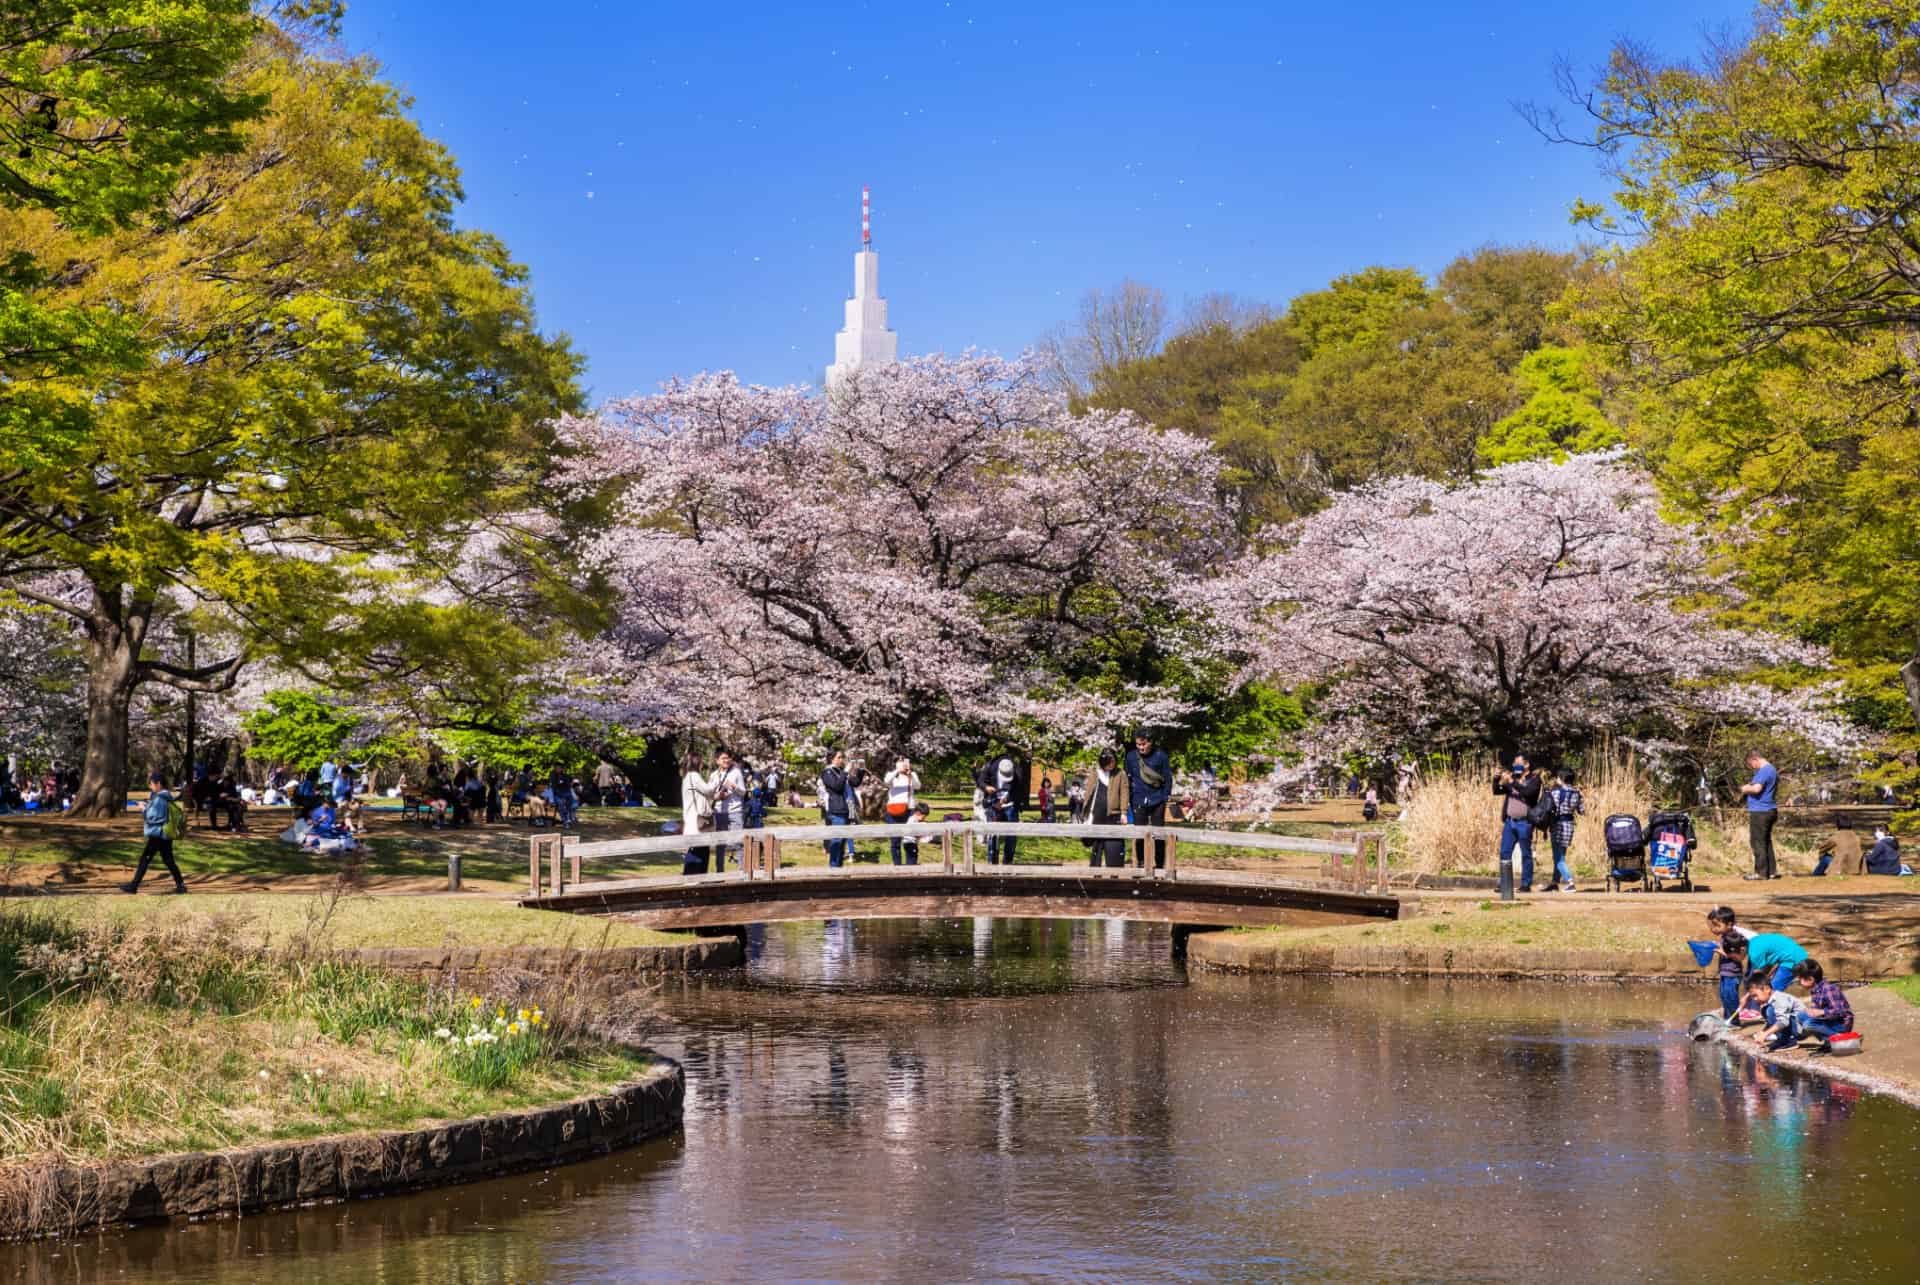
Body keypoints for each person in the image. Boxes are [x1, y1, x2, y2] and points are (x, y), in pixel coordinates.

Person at [122, 771, 187, 895]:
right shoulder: (164, 796)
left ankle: (133, 886)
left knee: (145, 859)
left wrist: (143, 809)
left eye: (151, 783)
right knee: (168, 860)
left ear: (158, 784)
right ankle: (181, 885)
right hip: (165, 834)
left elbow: (154, 817)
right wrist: (147, 806)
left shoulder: (160, 798)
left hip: (158, 834)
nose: (150, 786)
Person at [1492, 755, 1543, 893]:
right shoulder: (1513, 777)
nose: (1515, 765)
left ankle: (1526, 884)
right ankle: (1504, 883)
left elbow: (1528, 793)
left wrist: (1511, 782)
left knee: (1526, 854)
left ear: (1526, 764)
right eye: (1514, 763)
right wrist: (1496, 778)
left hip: (1525, 822)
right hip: (1510, 822)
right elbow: (1497, 791)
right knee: (1504, 852)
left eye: (1518, 763)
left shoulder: (1534, 779)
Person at [1124, 729, 1173, 869]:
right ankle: (1140, 863)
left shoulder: (1161, 756)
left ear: (1150, 742)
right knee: (1140, 833)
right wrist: (1129, 797)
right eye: (1138, 744)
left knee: (1159, 833)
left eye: (1143, 744)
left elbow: (1168, 778)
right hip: (1138, 799)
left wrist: (1165, 797)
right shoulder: (1131, 756)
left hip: (1157, 799)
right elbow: (1127, 777)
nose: (1141, 747)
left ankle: (1159, 863)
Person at [1078, 747, 1131, 868]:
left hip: (1114, 814)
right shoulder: (1095, 774)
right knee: (1096, 846)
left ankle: (1115, 871)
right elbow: (1089, 794)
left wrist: (1123, 812)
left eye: (1113, 761)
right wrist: (1085, 813)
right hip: (1097, 814)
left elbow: (1124, 793)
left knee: (1114, 845)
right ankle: (1095, 872)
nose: (1112, 764)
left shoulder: (1120, 774)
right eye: (1109, 762)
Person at [1789, 959, 1855, 1045]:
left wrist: (1821, 1012)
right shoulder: (1815, 990)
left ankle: (1840, 1038)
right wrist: (1811, 1011)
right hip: (1830, 1020)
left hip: (1841, 1024)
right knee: (1801, 1016)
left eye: (1800, 980)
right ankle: (1829, 1040)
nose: (1799, 983)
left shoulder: (1829, 989)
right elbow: (1818, 1009)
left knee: (1809, 1024)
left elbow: (1840, 1011)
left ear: (1810, 979)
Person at [1724, 928, 1808, 993]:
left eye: (1734, 957)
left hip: (1793, 960)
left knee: (1772, 990)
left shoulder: (1754, 954)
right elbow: (1768, 966)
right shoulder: (1753, 943)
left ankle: (1771, 1012)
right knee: (1767, 986)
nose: (1734, 960)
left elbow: (1757, 980)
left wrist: (1746, 997)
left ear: (1742, 950)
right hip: (1789, 957)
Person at [1739, 751, 1780, 880]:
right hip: (1770, 809)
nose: (1752, 767)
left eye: (1751, 764)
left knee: (1757, 841)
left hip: (1760, 811)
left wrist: (1744, 788)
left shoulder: (1764, 770)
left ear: (1755, 759)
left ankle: (1760, 873)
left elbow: (1757, 789)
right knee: (1766, 841)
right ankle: (1771, 871)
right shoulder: (1772, 769)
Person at [1746, 972, 1811, 1051]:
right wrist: (1763, 1032)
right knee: (1767, 1010)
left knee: (1770, 1011)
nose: (1754, 999)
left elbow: (1783, 1021)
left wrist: (1765, 1034)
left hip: (1800, 1029)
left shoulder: (1780, 999)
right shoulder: (1771, 1001)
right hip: (1794, 1025)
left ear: (1767, 989)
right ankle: (1784, 1040)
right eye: (1752, 997)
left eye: (1755, 995)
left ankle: (1787, 1041)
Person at [1544, 768, 1584, 893]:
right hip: (1569, 826)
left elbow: (1548, 808)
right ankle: (1554, 882)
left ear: (1561, 779)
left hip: (1558, 826)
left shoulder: (1556, 792)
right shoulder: (1577, 793)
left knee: (1558, 858)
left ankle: (1570, 882)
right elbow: (1581, 811)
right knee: (1560, 855)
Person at [709, 750, 746, 869]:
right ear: (717, 761)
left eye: (728, 758)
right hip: (720, 812)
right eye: (723, 758)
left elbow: (743, 792)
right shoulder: (714, 775)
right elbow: (710, 794)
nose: (726, 760)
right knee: (720, 843)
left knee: (739, 842)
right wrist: (718, 796)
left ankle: (742, 871)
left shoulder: (736, 772)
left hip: (735, 811)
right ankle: (720, 872)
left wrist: (734, 787)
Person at [984, 750, 1021, 865]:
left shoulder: (1018, 772)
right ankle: (992, 861)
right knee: (992, 833)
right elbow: (981, 781)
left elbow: (1019, 792)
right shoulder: (990, 768)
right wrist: (987, 787)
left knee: (1011, 834)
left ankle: (1008, 861)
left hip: (1010, 806)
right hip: (993, 804)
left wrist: (1007, 799)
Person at [680, 749, 714, 876]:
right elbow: (709, 790)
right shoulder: (694, 776)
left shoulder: (686, 777)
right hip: (697, 822)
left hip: (691, 821)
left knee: (693, 850)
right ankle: (695, 879)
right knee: (700, 852)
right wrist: (716, 779)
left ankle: (691, 877)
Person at [819, 749, 855, 868]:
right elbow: (837, 787)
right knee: (837, 841)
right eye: (839, 757)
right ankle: (833, 869)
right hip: (836, 810)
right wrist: (845, 772)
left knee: (842, 843)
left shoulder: (840, 771)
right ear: (832, 759)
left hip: (845, 810)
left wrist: (860, 771)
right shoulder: (827, 772)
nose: (842, 760)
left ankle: (838, 869)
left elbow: (855, 783)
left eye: (842, 757)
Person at [883, 756, 920, 865]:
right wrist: (897, 771)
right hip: (893, 810)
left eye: (904, 762)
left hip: (909, 809)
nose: (903, 764)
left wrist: (910, 775)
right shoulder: (892, 775)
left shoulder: (912, 775)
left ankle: (911, 864)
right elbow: (886, 781)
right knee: (895, 839)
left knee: (910, 838)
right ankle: (897, 865)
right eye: (900, 762)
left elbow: (918, 786)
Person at [897, 800, 931, 866]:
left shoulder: (914, 819)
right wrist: (921, 836)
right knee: (911, 858)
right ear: (918, 813)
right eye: (923, 817)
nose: (923, 819)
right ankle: (910, 869)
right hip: (909, 842)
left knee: (913, 857)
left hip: (912, 842)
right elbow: (912, 832)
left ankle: (911, 868)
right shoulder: (912, 820)